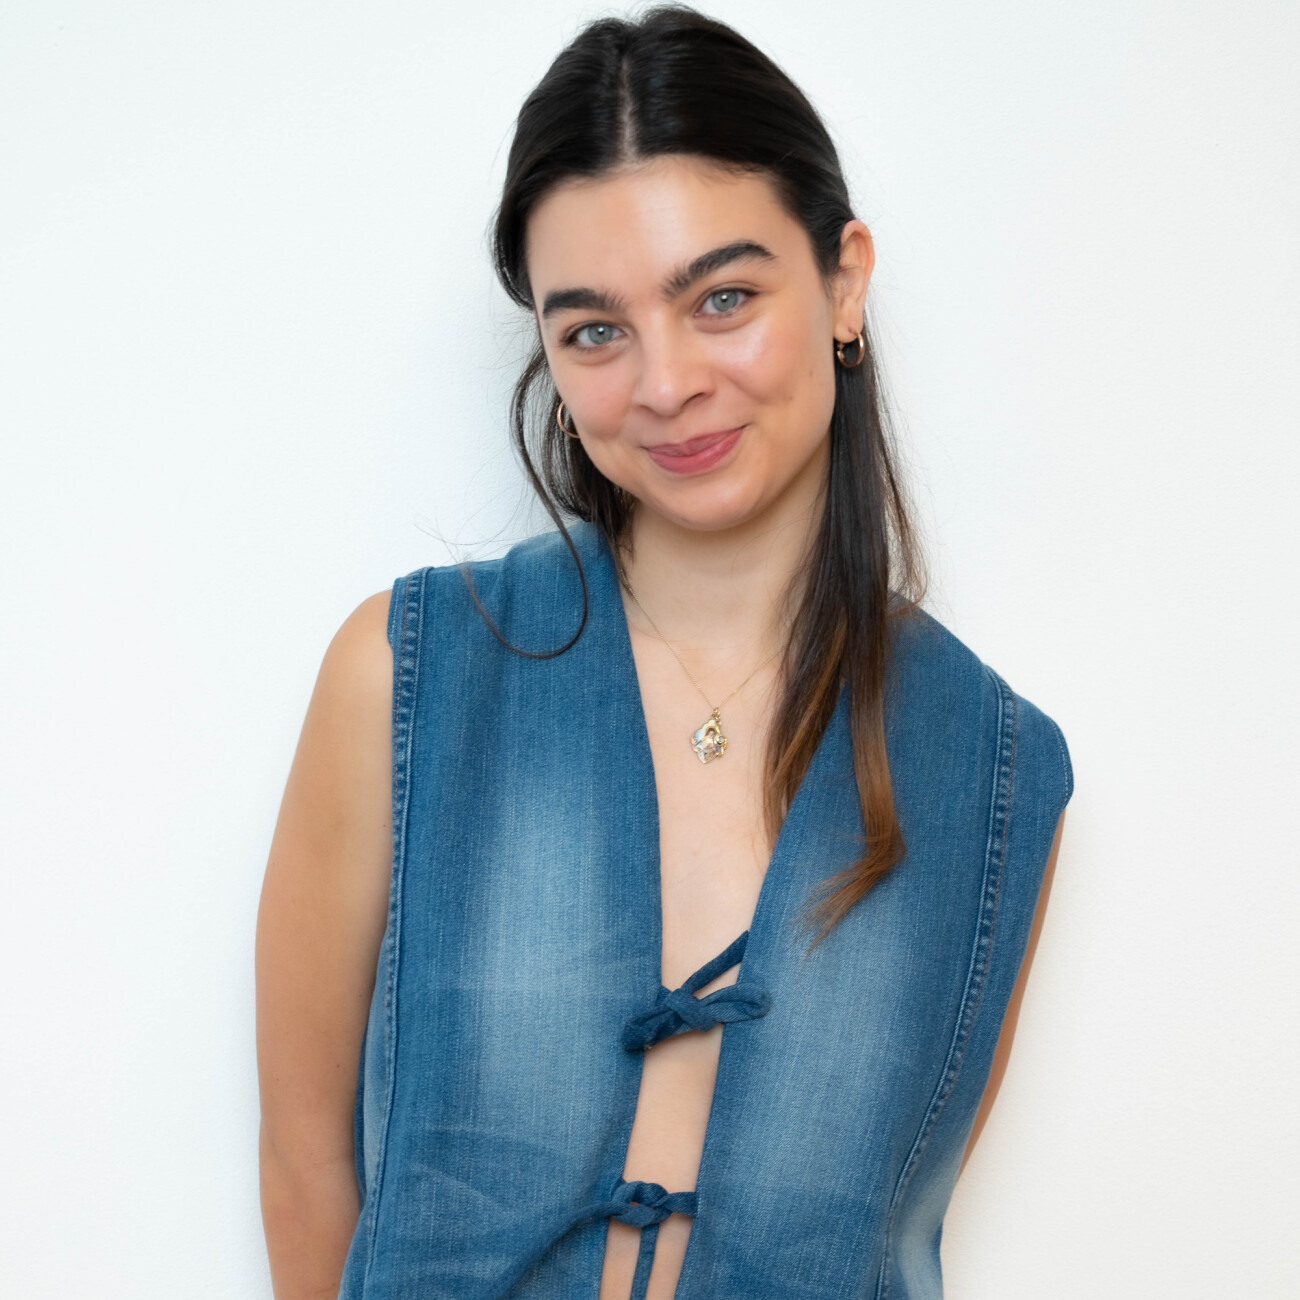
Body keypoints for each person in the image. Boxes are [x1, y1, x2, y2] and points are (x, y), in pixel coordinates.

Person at [255, 7, 1072, 1299]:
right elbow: (306, 1165)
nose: (666, 382)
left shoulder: (997, 770)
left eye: (724, 298)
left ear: (844, 280)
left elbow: (887, 1236)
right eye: (595, 330)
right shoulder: (406, 678)